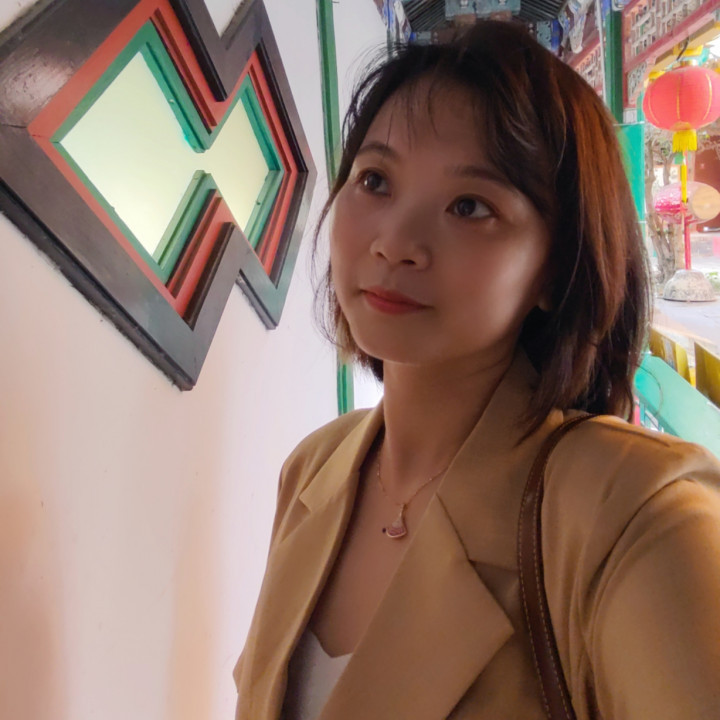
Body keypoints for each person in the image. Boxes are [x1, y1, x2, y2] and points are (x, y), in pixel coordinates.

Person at [234, 19, 720, 720]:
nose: (396, 241)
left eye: (470, 207)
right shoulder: (313, 470)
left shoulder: (635, 515)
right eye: (375, 180)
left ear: (555, 268)